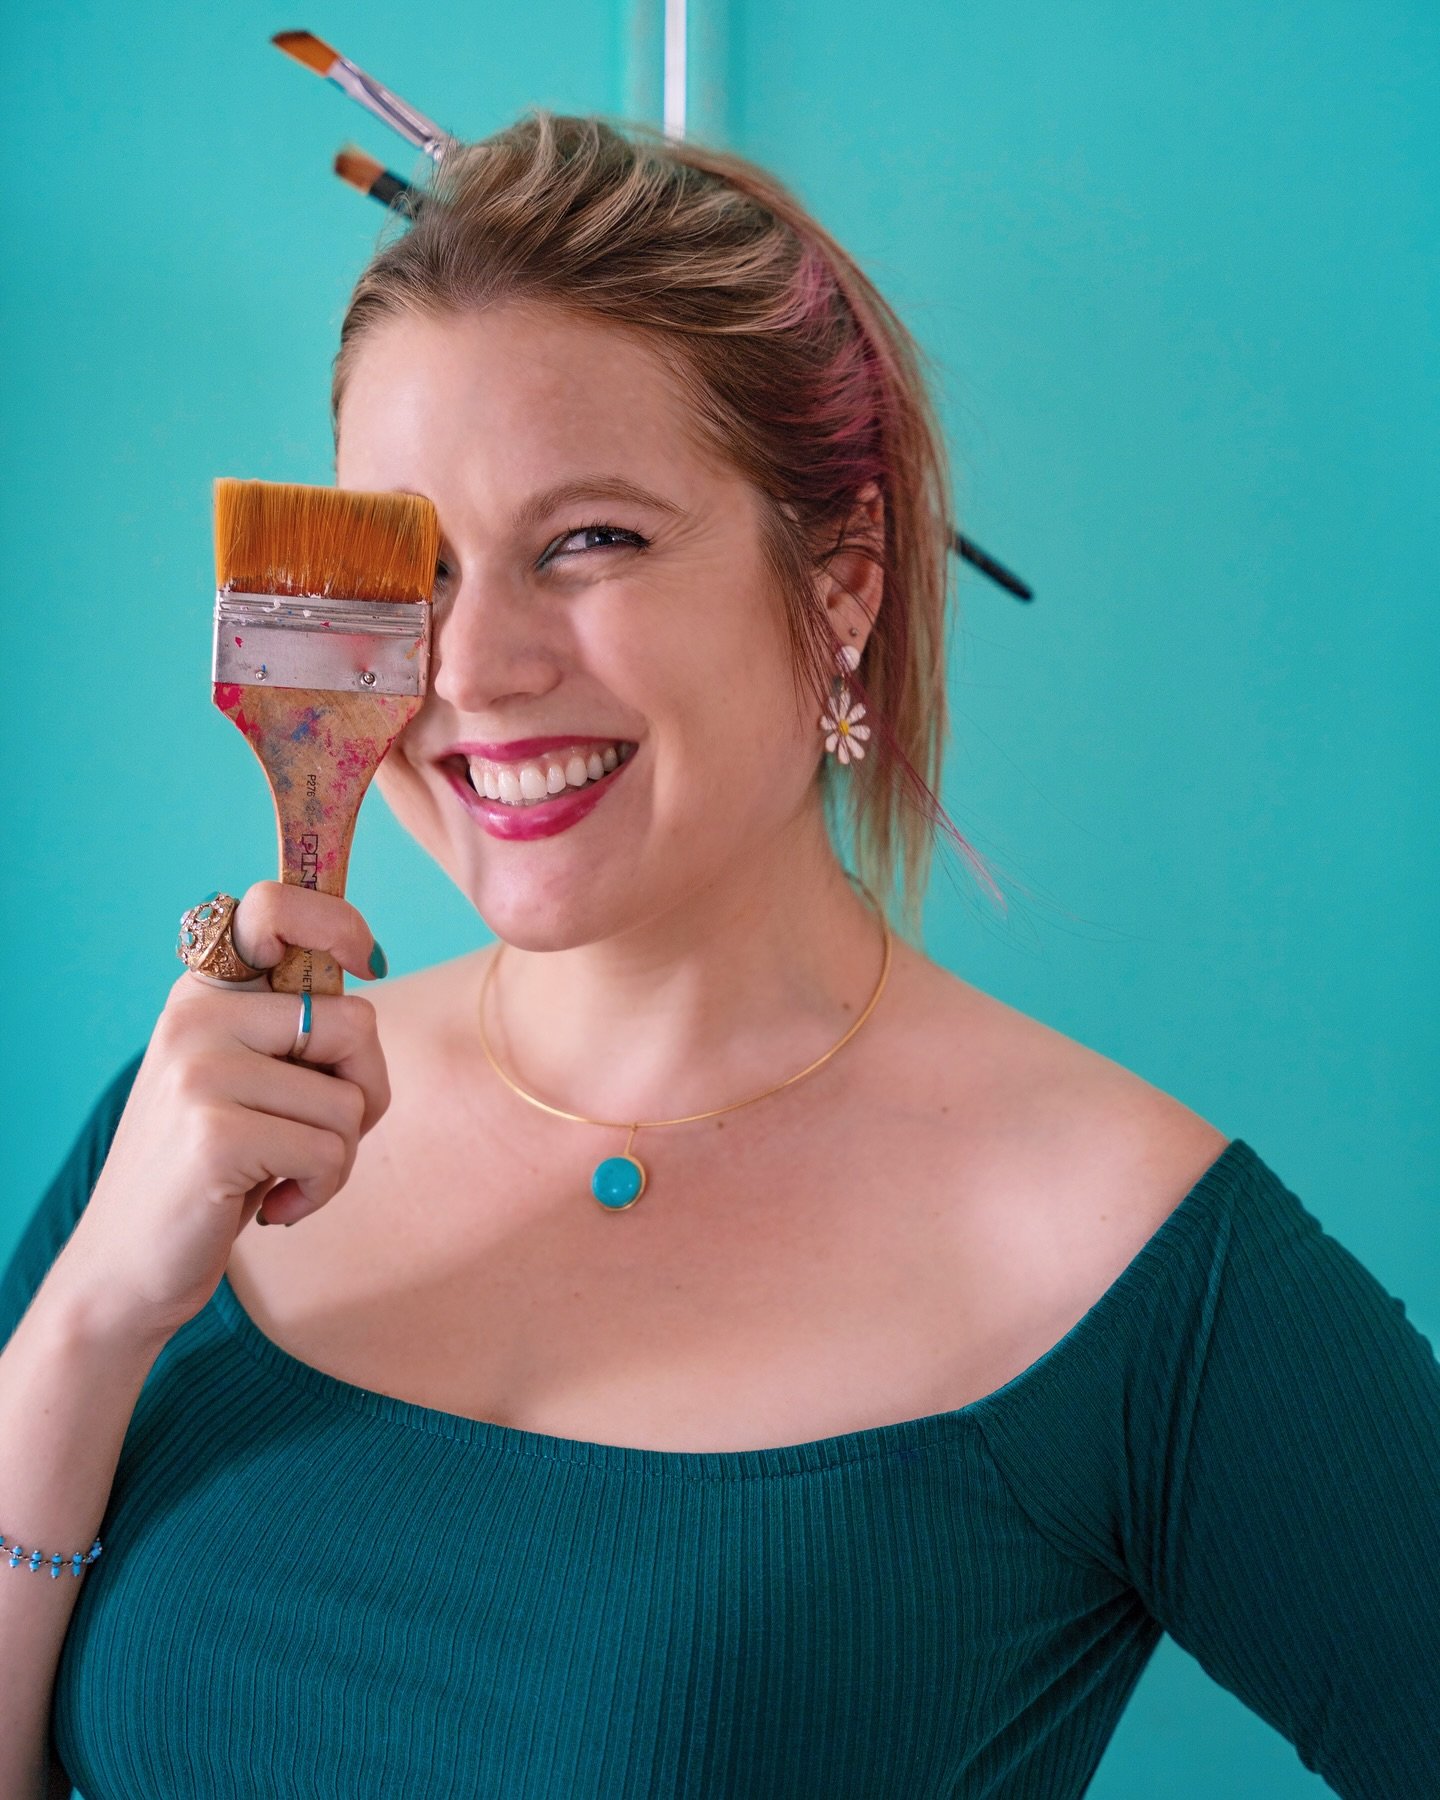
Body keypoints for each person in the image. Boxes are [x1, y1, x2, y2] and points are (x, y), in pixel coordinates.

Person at [1, 112, 1436, 1800]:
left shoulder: (1126, 1257)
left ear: (842, 585)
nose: (471, 668)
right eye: (424, 568)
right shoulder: (201, 1125)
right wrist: (89, 1320)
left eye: (592, 540)